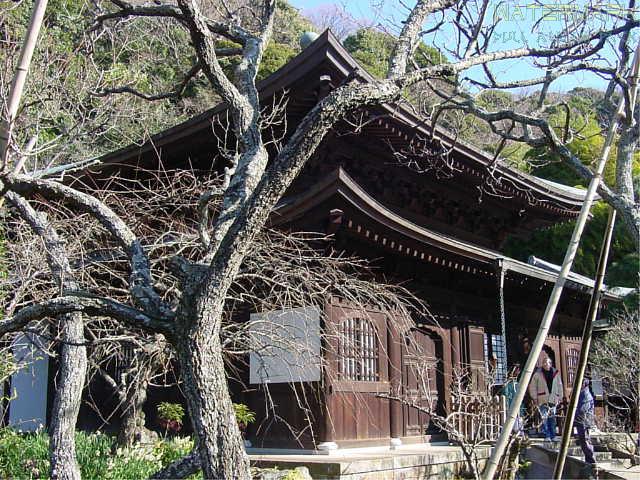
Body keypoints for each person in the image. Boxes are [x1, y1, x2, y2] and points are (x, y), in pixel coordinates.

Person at [528, 357, 563, 443]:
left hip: (553, 398)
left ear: (550, 364)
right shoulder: (537, 374)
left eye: (546, 363)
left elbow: (559, 385)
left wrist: (560, 397)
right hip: (542, 398)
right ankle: (547, 435)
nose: (545, 364)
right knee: (544, 418)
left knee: (552, 418)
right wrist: (534, 397)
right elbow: (532, 387)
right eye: (543, 363)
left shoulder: (556, 373)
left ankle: (553, 435)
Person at [575, 377, 596, 465]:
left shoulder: (586, 394)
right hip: (581, 419)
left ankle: (591, 459)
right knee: (583, 440)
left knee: (585, 440)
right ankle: (589, 459)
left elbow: (582, 409)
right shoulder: (582, 393)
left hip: (584, 420)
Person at [502, 364, 525, 435]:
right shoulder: (508, 384)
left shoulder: (518, 384)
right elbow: (506, 394)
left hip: (518, 405)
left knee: (518, 420)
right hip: (510, 404)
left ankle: (519, 433)